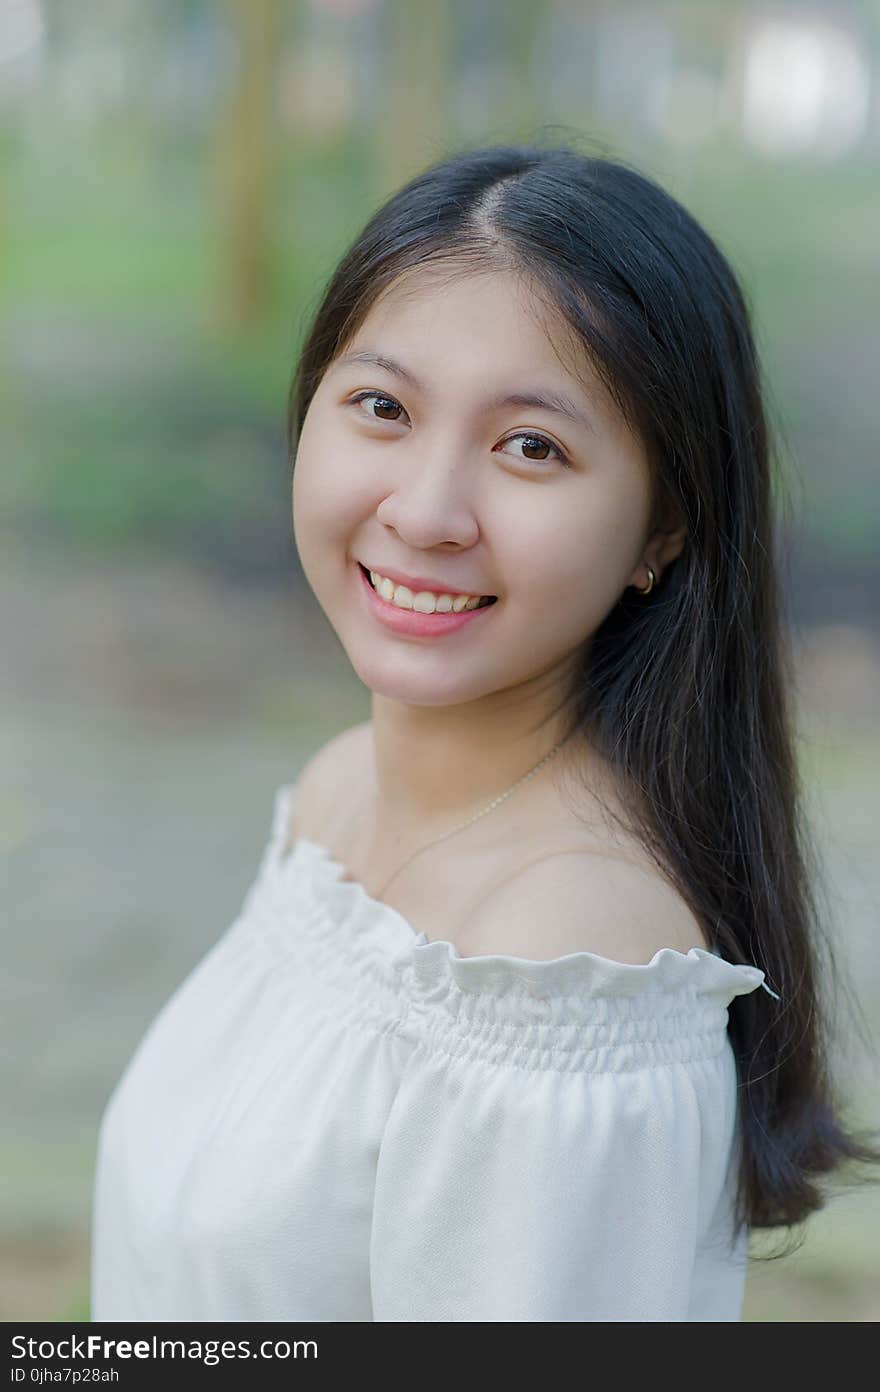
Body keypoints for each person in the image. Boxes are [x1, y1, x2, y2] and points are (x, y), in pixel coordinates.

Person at [90, 140, 880, 1322]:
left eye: (531, 447)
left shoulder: (562, 973)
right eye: (382, 407)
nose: (423, 510)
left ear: (662, 532)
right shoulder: (337, 793)